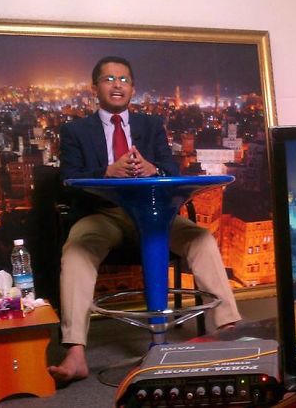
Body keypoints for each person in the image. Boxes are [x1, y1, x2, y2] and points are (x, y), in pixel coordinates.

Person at [48, 56, 241, 382]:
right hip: (104, 215)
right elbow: (68, 178)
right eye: (109, 79)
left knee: (201, 239)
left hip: (156, 214)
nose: (117, 85)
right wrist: (107, 172)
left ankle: (228, 329)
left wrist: (155, 169)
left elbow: (172, 169)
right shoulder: (75, 130)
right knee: (77, 251)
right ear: (94, 88)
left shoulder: (151, 125)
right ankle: (76, 351)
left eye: (124, 79)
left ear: (133, 88)